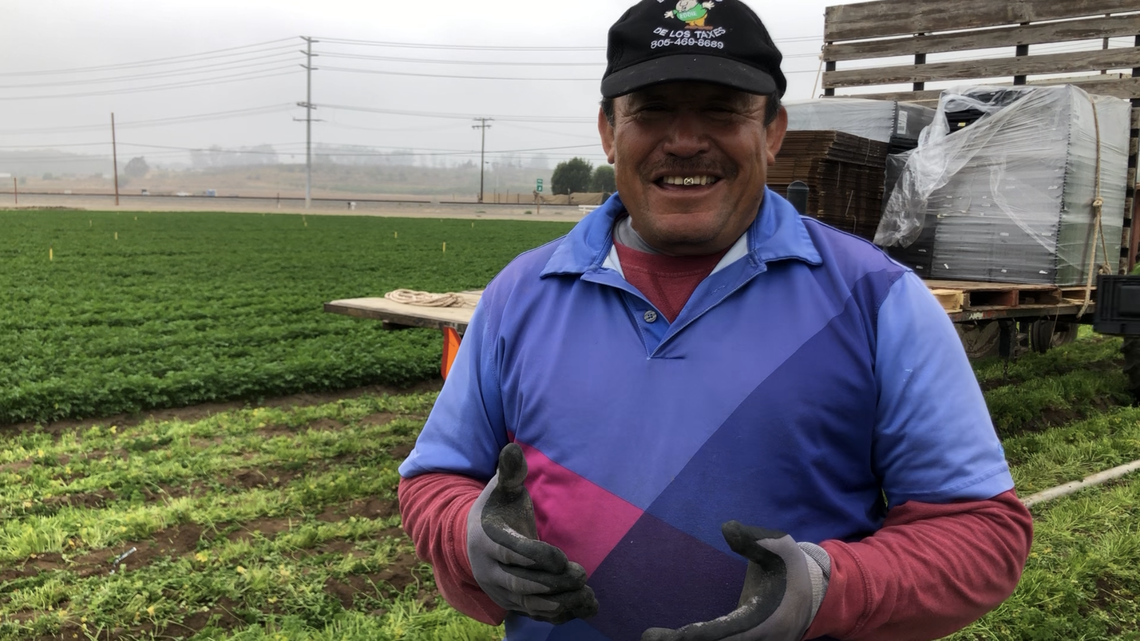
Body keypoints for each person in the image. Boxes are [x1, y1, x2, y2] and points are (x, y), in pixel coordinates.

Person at [398, 1, 1034, 639]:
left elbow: (982, 532)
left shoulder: (876, 298)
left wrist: (828, 590)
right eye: (651, 110)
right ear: (608, 131)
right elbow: (434, 479)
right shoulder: (520, 295)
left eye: (722, 109)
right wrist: (468, 535)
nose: (684, 140)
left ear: (773, 130)